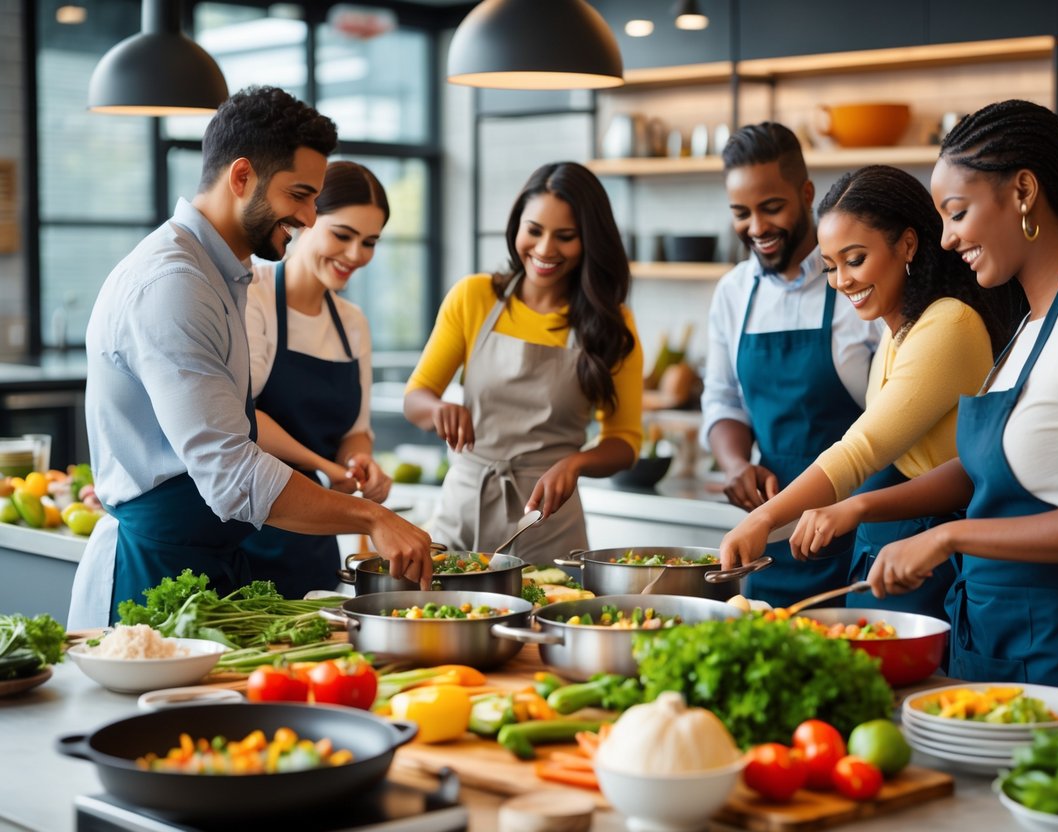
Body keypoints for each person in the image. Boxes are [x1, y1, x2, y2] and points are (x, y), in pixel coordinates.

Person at [798, 100, 1058, 696]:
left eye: (957, 212)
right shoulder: (1031, 325)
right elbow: (981, 470)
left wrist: (948, 536)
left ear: (1023, 191)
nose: (945, 240)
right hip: (996, 635)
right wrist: (861, 508)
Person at [69, 86, 431, 629]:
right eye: (301, 195)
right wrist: (370, 515)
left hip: (210, 562)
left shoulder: (220, 274)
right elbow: (232, 472)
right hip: (154, 572)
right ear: (241, 177)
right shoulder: (176, 285)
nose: (309, 217)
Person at [718, 165, 1021, 621]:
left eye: (855, 260)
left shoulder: (949, 324)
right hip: (890, 548)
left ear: (907, 245)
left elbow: (865, 448)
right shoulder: (895, 329)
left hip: (936, 554)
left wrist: (763, 518)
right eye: (830, 266)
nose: (841, 281)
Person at [403, 162, 643, 562]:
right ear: (517, 227)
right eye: (534, 230)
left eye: (565, 237)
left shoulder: (610, 325)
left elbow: (626, 441)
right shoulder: (474, 297)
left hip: (549, 524)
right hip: (463, 514)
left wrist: (576, 463)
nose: (545, 249)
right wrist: (438, 408)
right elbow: (416, 398)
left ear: (590, 241)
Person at [703, 122, 881, 607]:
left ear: (806, 194)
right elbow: (722, 401)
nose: (756, 227)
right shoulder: (733, 292)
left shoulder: (858, 289)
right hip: (770, 539)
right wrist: (736, 464)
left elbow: (891, 422)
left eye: (771, 207)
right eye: (741, 213)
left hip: (861, 534)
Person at [239, 161, 393, 599]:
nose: (355, 255)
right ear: (306, 220)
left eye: (369, 242)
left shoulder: (352, 323)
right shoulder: (254, 294)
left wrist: (359, 463)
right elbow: (243, 418)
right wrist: (328, 470)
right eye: (342, 235)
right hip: (249, 530)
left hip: (315, 543)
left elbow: (355, 430)